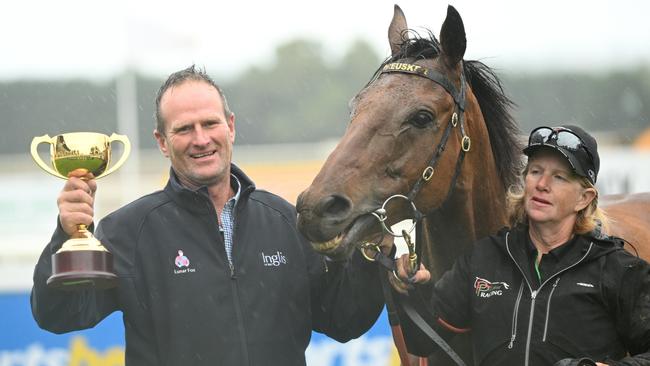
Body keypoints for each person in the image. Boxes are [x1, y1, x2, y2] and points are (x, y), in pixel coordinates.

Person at [31, 65, 385, 365]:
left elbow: (343, 320)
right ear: (162, 142)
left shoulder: (285, 220)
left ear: (230, 126)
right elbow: (61, 315)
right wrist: (66, 235)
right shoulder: (128, 230)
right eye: (184, 129)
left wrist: (373, 255)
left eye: (210, 123)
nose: (201, 139)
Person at [394, 125, 650, 365]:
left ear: (584, 198)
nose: (541, 185)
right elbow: (422, 342)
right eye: (535, 171)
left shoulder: (618, 268)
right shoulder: (483, 257)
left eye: (559, 177)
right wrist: (412, 289)